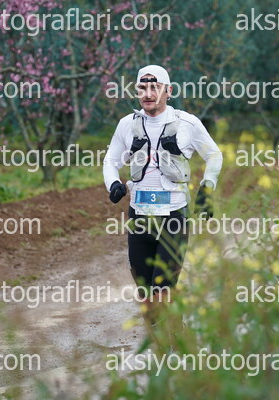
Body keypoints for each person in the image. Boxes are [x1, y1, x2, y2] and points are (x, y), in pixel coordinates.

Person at [103, 65, 223, 314]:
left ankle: (172, 338)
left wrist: (207, 187)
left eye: (155, 88)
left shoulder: (187, 123)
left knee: (162, 292)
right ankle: (168, 335)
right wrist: (113, 183)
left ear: (169, 91)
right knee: (146, 295)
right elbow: (110, 161)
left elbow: (214, 155)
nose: (148, 94)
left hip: (173, 217)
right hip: (139, 217)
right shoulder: (127, 124)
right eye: (142, 88)